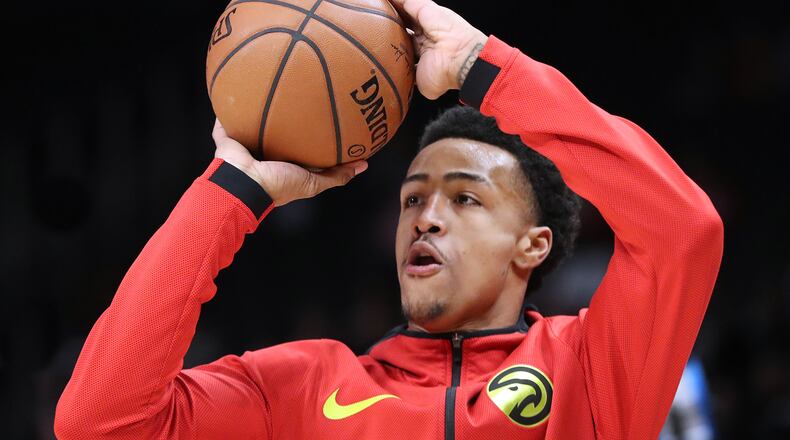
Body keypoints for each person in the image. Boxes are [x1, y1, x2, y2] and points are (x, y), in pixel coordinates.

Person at [54, 0, 724, 438]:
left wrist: (483, 68)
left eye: (465, 198)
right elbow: (99, 422)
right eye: (413, 198)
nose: (426, 217)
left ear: (533, 245)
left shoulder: (593, 370)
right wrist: (232, 190)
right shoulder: (303, 388)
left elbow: (683, 230)